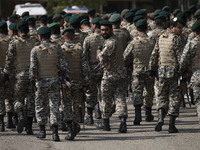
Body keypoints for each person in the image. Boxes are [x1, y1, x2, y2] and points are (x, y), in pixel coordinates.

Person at [29, 26, 68, 141]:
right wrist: (65, 78)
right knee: (54, 105)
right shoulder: (57, 47)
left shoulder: (35, 50)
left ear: (40, 37)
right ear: (50, 35)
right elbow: (63, 65)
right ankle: (55, 133)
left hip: (41, 82)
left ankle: (42, 131)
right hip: (54, 81)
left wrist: (32, 81)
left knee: (40, 105)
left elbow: (33, 67)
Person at [149, 17, 186, 133]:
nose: (181, 30)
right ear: (172, 28)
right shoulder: (176, 39)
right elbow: (181, 57)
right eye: (179, 28)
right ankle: (171, 125)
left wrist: (152, 70)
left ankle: (160, 118)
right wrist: (183, 72)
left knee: (161, 96)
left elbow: (154, 54)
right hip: (173, 72)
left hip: (161, 71)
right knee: (174, 97)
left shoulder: (161, 38)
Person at [4, 20, 38, 135]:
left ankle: (20, 115)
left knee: (17, 99)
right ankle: (29, 128)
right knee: (30, 100)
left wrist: (6, 74)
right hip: (32, 76)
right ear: (28, 29)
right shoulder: (35, 41)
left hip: (19, 76)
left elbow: (9, 60)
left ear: (18, 31)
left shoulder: (14, 42)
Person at [95, 20, 128, 133]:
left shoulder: (110, 42)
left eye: (106, 30)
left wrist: (98, 51)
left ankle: (106, 123)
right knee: (120, 98)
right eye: (102, 30)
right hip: (121, 73)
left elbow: (102, 57)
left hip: (110, 75)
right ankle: (123, 123)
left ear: (111, 30)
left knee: (106, 98)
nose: (104, 32)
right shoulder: (116, 39)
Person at [124, 19, 156, 124]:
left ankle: (137, 116)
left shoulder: (134, 42)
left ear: (137, 29)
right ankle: (148, 114)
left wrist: (129, 64)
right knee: (149, 92)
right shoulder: (153, 41)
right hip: (150, 70)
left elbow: (125, 56)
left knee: (137, 92)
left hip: (137, 71)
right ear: (147, 29)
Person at [82, 17, 104, 125]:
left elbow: (84, 56)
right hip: (103, 69)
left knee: (91, 93)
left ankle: (89, 116)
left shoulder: (88, 39)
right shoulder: (106, 38)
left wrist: (85, 71)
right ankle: (100, 113)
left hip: (91, 70)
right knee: (102, 92)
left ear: (94, 26)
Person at [61, 27, 83, 139]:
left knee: (66, 105)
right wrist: (86, 82)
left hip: (65, 83)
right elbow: (84, 66)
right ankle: (75, 125)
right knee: (76, 104)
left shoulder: (60, 49)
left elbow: (58, 68)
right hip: (78, 81)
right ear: (74, 37)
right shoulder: (80, 49)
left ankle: (70, 130)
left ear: (63, 37)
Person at [179, 19, 200, 124]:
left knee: (198, 100)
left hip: (196, 75)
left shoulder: (191, 44)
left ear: (195, 32)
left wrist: (182, 72)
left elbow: (183, 60)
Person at [0, 22, 12, 131]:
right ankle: (10, 120)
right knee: (9, 96)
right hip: (9, 70)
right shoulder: (11, 40)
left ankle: (1, 123)